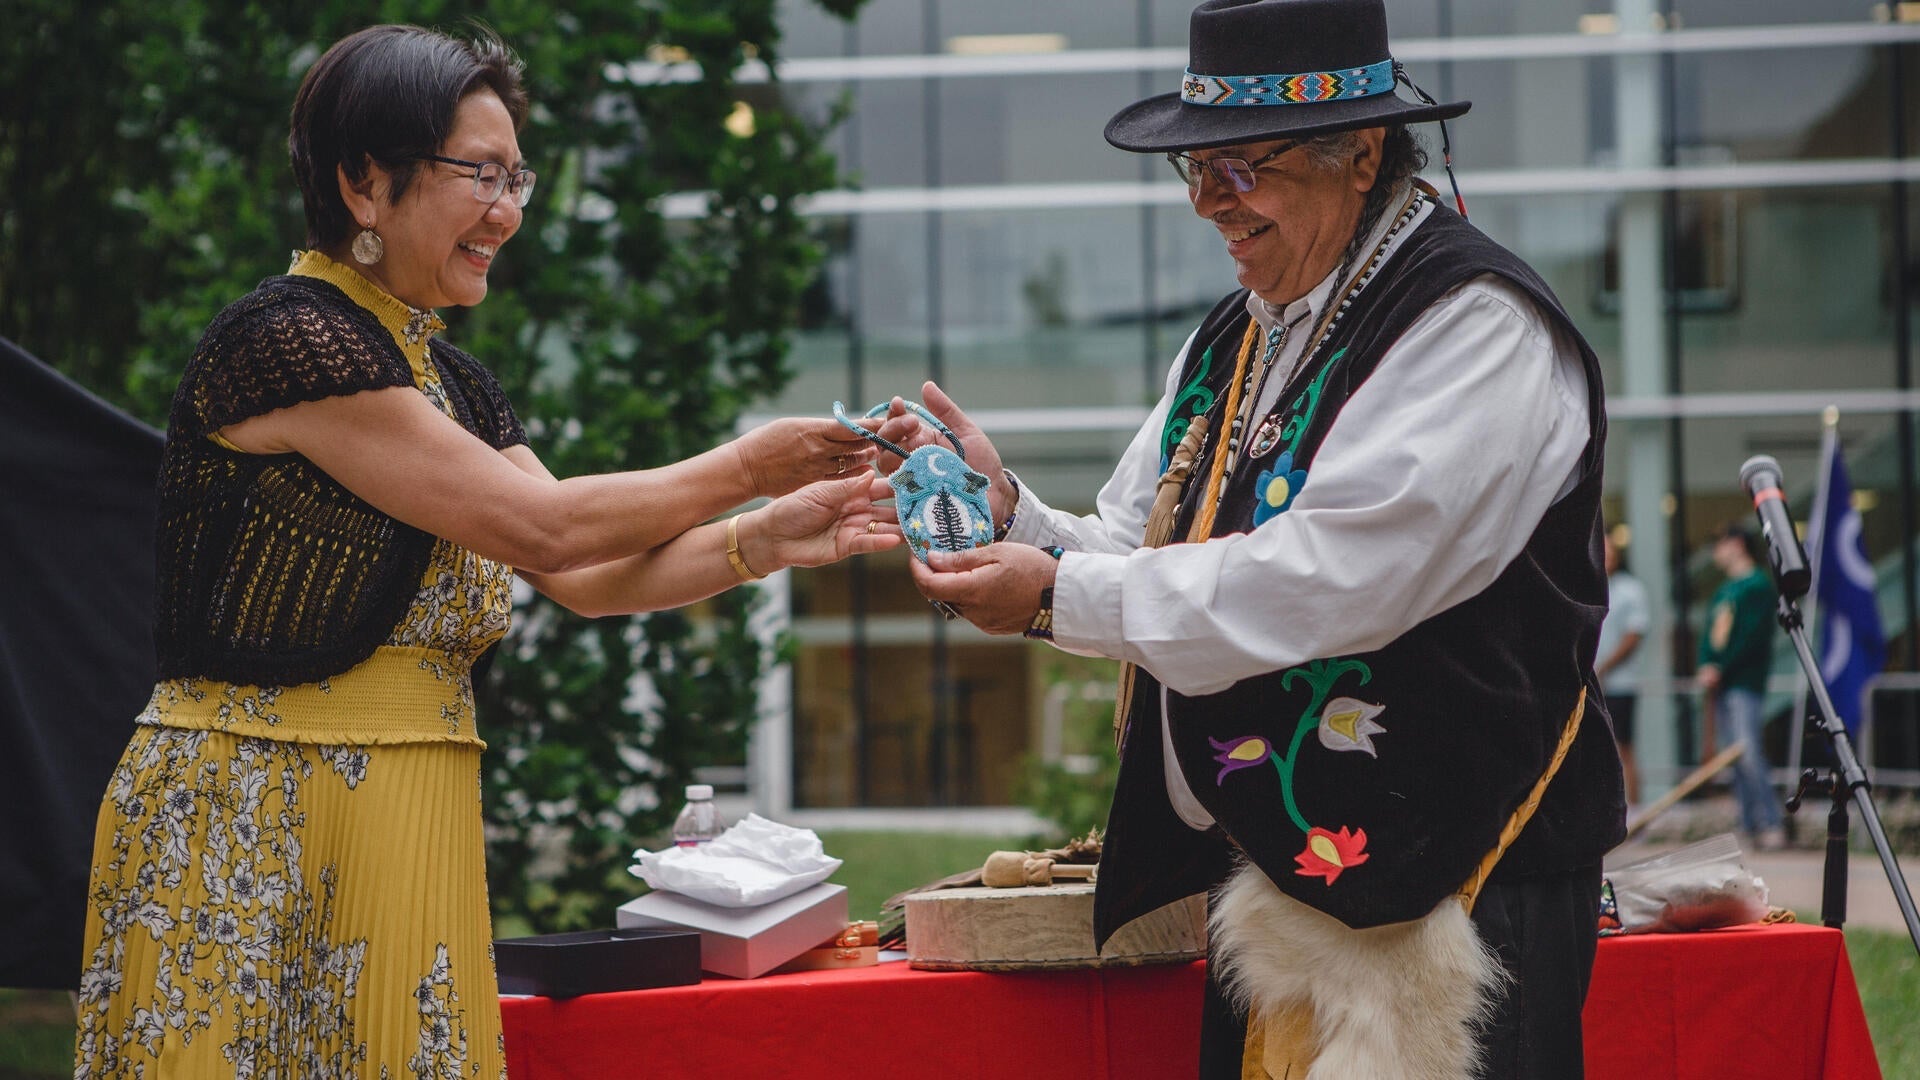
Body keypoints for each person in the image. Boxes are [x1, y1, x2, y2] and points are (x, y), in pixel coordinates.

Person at [72, 25, 898, 1078]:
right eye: (480, 175)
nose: (506, 211)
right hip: (253, 811)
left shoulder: (456, 387)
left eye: (519, 179)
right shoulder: (288, 342)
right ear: (366, 185)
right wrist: (749, 465)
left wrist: (764, 539)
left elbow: (584, 575)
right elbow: (541, 529)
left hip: (410, 809)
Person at [890, 1, 1624, 1075]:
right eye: (1193, 172)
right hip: (1284, 889)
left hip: (1459, 889)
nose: (1206, 205)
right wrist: (1011, 518)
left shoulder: (1477, 325)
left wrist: (1051, 594)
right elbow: (1134, 548)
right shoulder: (1241, 329)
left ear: (1361, 154)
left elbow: (1328, 581)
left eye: (1240, 170)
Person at [1697, 521, 1786, 849]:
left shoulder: (1758, 587)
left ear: (1736, 544)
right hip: (1723, 684)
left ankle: (1771, 822)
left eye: (1720, 543)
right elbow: (1710, 635)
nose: (1717, 551)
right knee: (1734, 758)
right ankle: (1750, 824)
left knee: (1748, 753)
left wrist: (1720, 666)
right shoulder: (1725, 589)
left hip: (1744, 683)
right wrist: (1707, 663)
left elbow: (1750, 639)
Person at [1597, 527, 1650, 808]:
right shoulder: (1587, 587)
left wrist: (1604, 666)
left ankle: (1634, 814)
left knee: (1623, 747)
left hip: (1620, 684)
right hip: (1591, 684)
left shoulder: (1630, 590)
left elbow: (1634, 635)